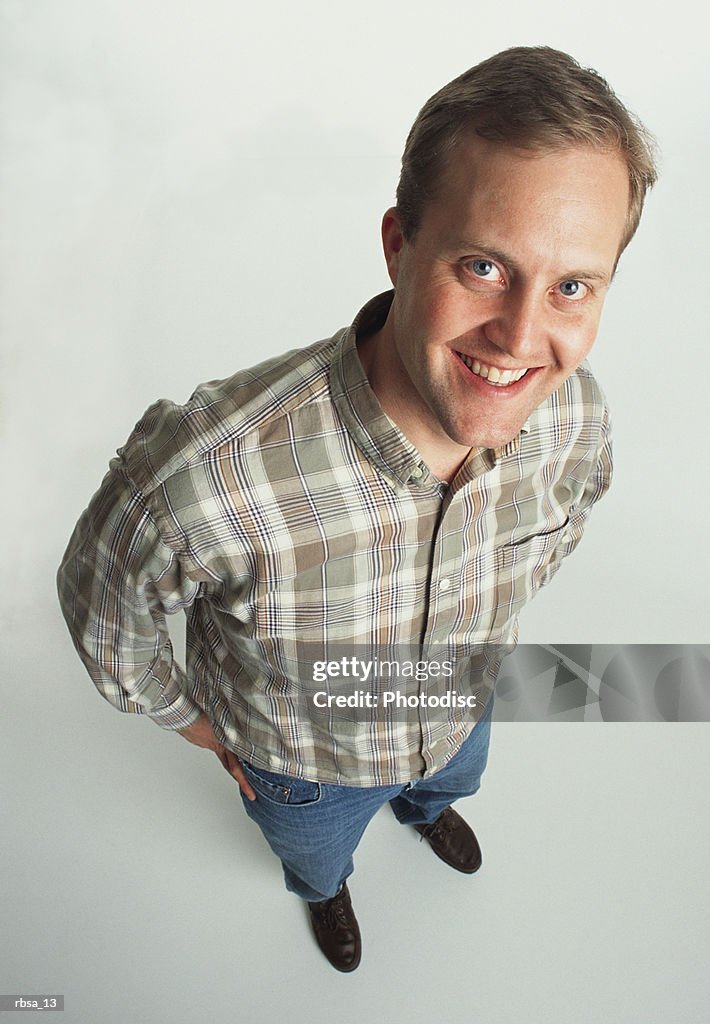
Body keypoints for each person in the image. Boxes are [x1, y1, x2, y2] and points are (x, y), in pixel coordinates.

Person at [57, 45, 657, 973]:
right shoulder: (206, 473)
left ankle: (426, 806)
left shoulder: (576, 416)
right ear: (398, 242)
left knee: (452, 776)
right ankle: (326, 889)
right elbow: (106, 618)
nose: (522, 337)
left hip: (456, 710)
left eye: (572, 286)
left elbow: (571, 516)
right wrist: (198, 722)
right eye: (485, 267)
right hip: (302, 771)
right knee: (316, 854)